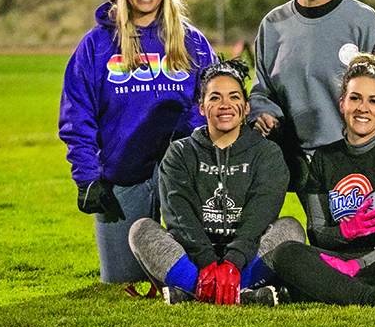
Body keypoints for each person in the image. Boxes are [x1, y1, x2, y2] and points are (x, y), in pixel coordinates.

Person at [58, 0, 216, 287]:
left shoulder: (191, 41)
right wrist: (87, 176)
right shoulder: (97, 44)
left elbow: (213, 102)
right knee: (122, 283)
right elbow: (77, 114)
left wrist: (201, 156)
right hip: (123, 175)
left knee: (192, 277)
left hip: (185, 176)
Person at [262, 53, 375, 307]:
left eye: (374, 101)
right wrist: (348, 229)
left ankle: (315, 290)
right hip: (335, 259)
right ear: (342, 103)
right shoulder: (324, 158)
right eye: (355, 98)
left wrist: (359, 264)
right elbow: (317, 233)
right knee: (286, 253)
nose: (362, 108)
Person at [128, 59, 305, 306]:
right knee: (140, 230)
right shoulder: (180, 152)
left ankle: (194, 291)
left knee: (292, 229)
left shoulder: (267, 152)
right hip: (194, 256)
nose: (225, 105)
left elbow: (260, 217)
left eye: (234, 97)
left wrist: (233, 261)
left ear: (246, 107)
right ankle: (239, 294)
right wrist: (207, 262)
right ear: (202, 107)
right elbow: (179, 216)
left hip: (247, 254)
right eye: (215, 98)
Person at [249, 0, 375, 193]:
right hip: (298, 163)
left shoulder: (363, 21)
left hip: (355, 159)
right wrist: (264, 114)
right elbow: (262, 90)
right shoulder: (273, 25)